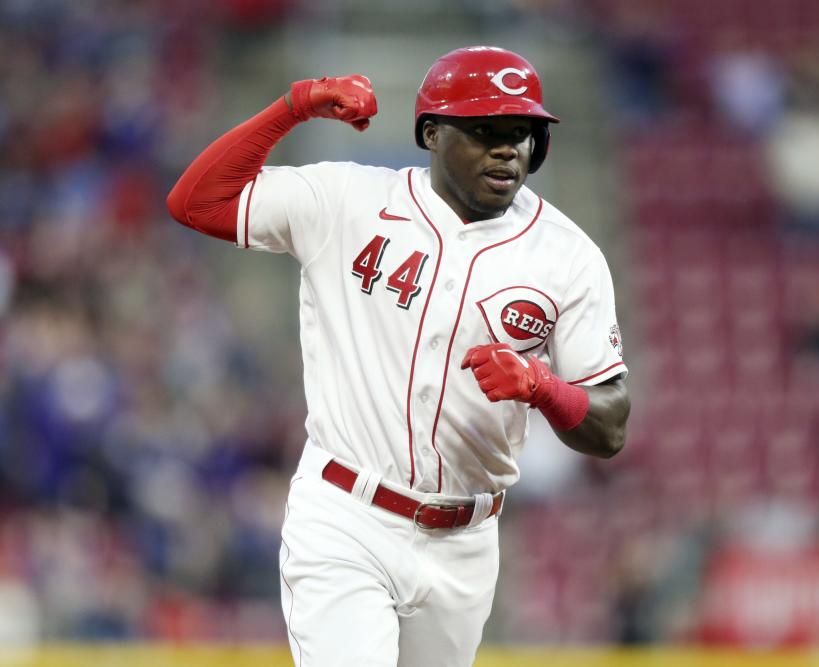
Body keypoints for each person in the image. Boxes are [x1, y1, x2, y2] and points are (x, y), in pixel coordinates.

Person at [166, 45, 629, 667]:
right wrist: (291, 108)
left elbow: (611, 426)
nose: (507, 149)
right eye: (485, 130)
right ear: (432, 134)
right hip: (346, 516)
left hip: (466, 540)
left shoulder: (568, 257)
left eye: (522, 132)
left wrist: (545, 388)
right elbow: (196, 202)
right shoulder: (348, 201)